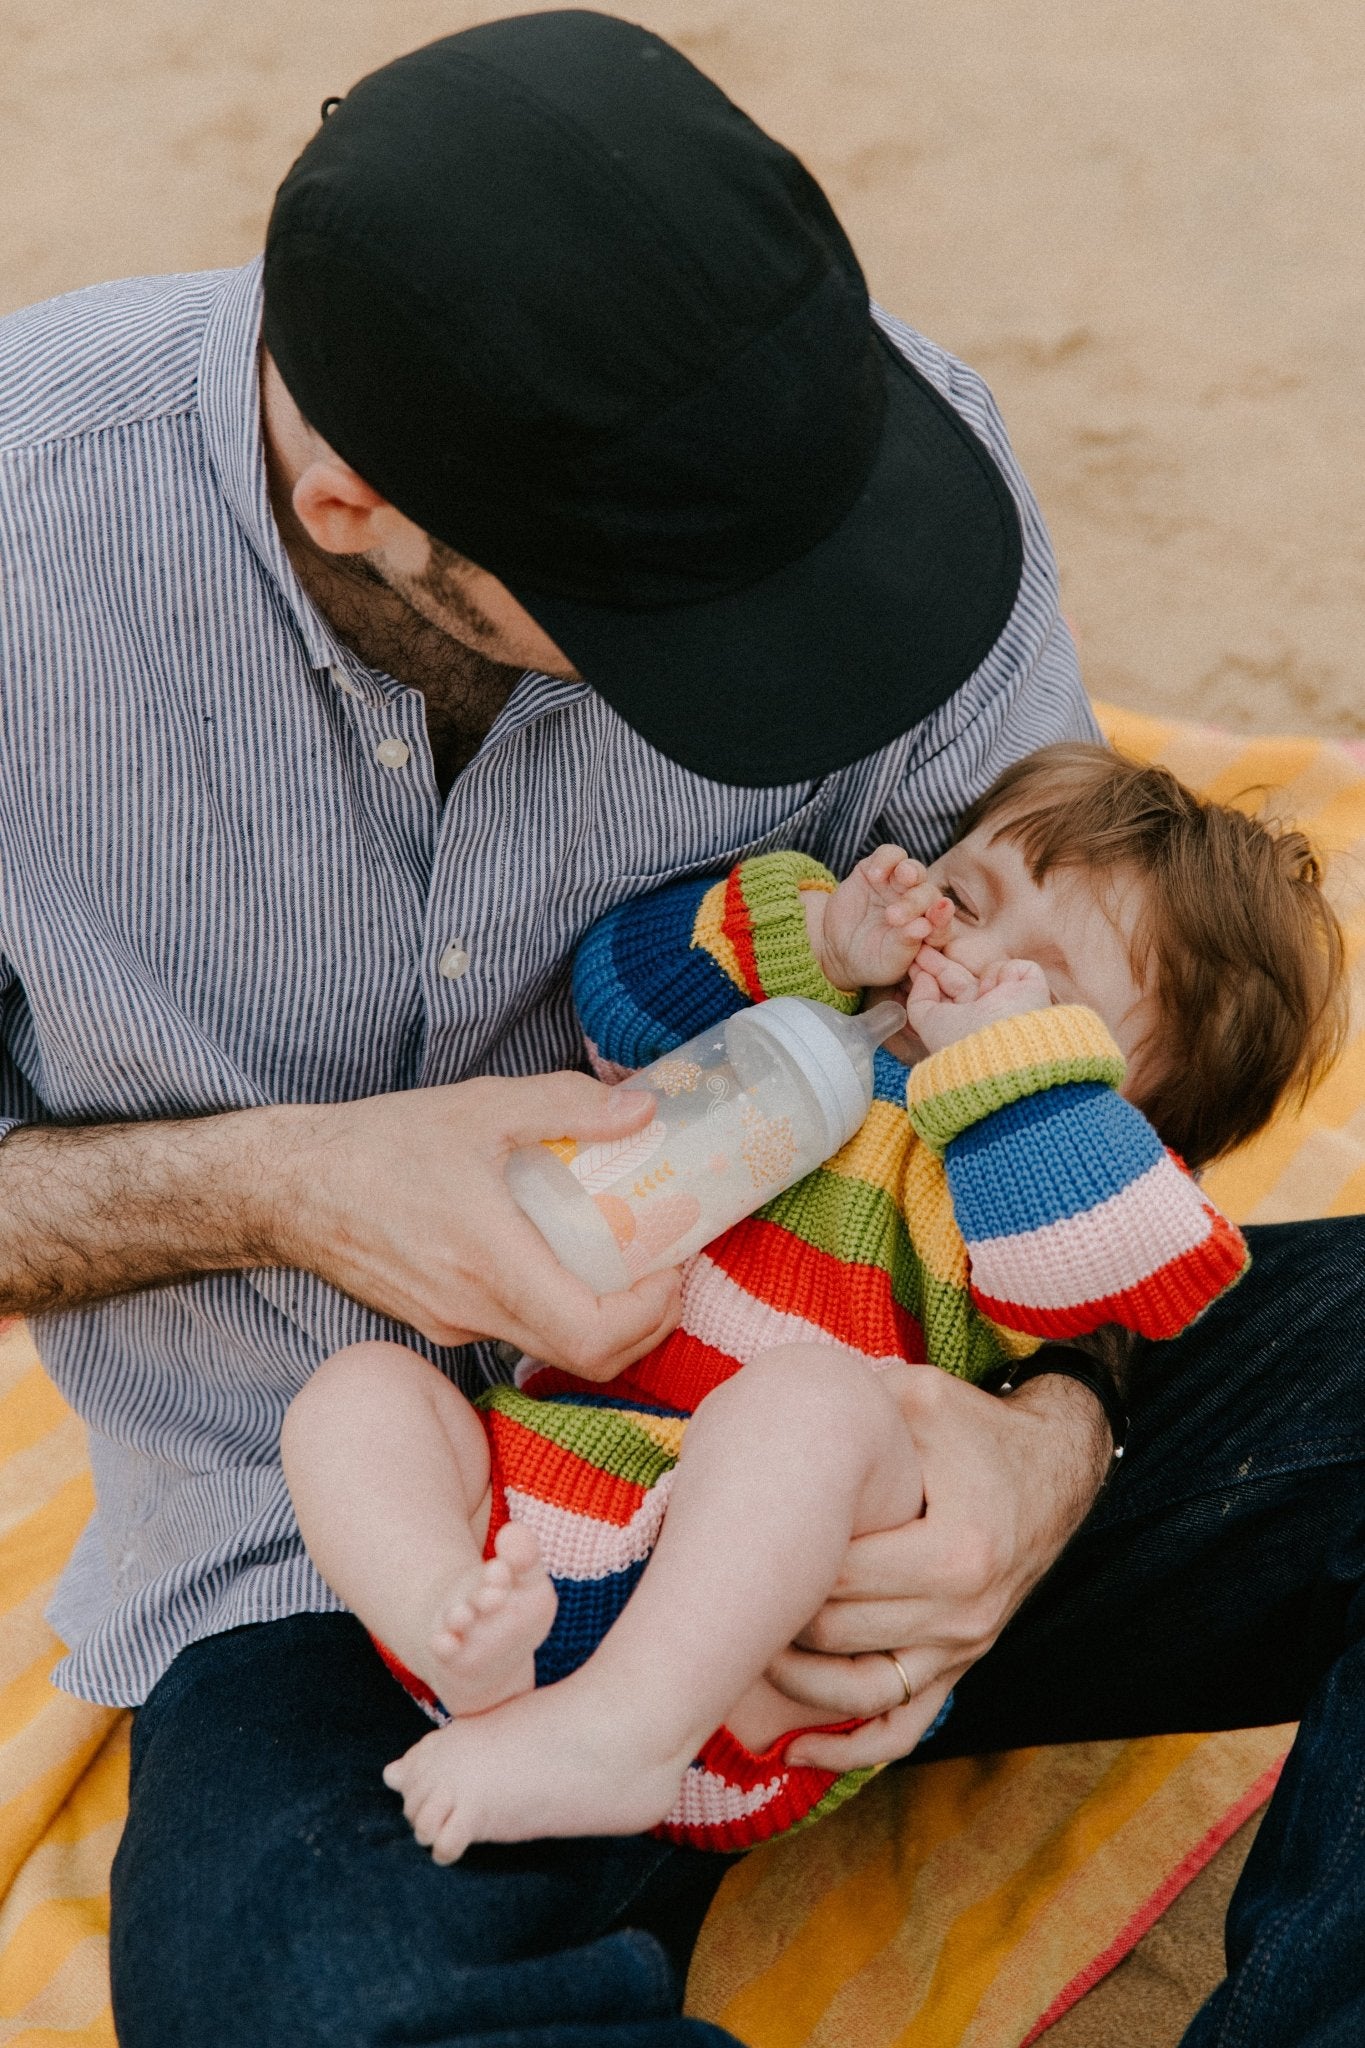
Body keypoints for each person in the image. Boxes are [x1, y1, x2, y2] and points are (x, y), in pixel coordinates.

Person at [0, 12, 1357, 2046]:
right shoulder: (26, 544)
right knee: (307, 1996)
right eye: (684, 642)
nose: (783, 640)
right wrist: (287, 1182)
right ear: (355, 508)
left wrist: (1048, 1443)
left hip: (891, 1419)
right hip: (382, 1570)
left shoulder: (875, 480)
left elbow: (1086, 1068)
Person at [284, 736, 1343, 1864]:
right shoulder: (796, 1014)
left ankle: (623, 1729)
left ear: (1136, 1112)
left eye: (1045, 989)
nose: (968, 958)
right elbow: (617, 992)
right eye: (963, 900)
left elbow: (1148, 1275)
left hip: (763, 1645)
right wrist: (824, 939)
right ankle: (445, 1622)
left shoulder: (1022, 1171)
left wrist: (1006, 1071)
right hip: (538, 1517)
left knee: (812, 1400)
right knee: (363, 1392)